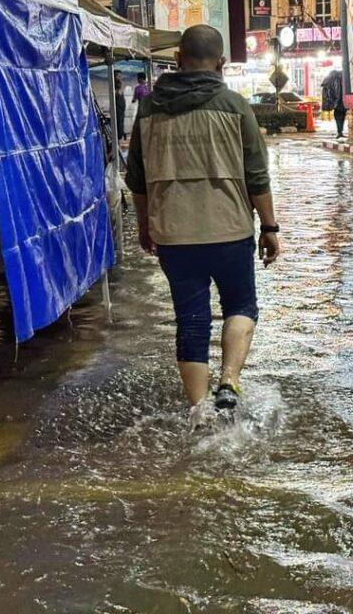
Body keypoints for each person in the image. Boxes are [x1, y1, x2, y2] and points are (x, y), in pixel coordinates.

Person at [125, 25, 281, 424]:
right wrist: (269, 227)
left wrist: (145, 226)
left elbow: (137, 180)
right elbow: (256, 175)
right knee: (241, 305)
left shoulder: (149, 110)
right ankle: (229, 381)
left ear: (177, 60)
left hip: (174, 235)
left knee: (191, 319)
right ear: (222, 64)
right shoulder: (234, 105)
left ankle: (198, 412)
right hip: (230, 231)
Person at [322, 69, 345, 138]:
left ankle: (339, 132)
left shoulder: (330, 79)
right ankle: (340, 131)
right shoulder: (341, 78)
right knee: (341, 116)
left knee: (338, 116)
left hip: (337, 102)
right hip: (341, 101)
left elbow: (327, 93)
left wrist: (331, 103)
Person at [113, 71, 127, 143]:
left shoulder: (121, 83)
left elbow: (119, 93)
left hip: (120, 104)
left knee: (119, 120)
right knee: (117, 120)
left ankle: (120, 137)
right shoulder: (113, 83)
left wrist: (115, 92)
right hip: (116, 103)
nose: (119, 77)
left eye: (120, 76)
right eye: (118, 76)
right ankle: (119, 135)